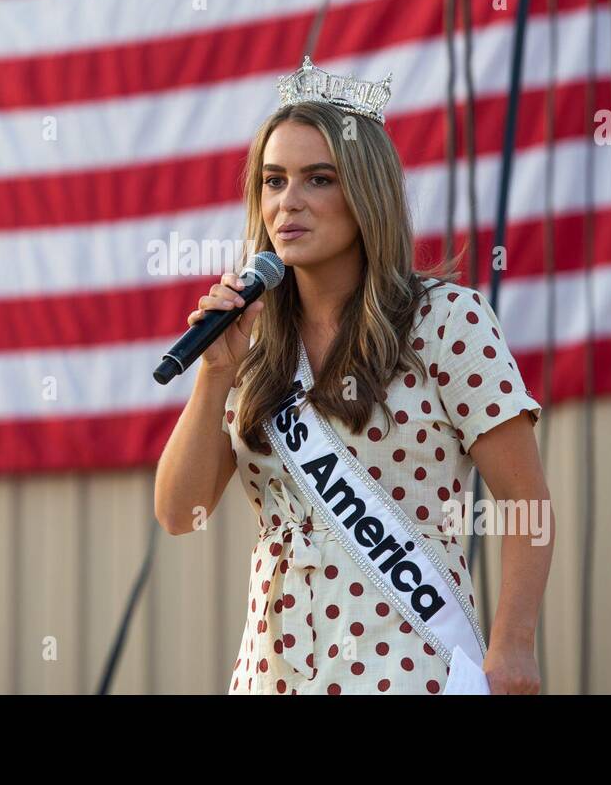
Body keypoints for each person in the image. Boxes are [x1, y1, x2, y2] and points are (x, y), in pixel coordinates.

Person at [154, 57, 552, 694]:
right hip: (273, 673)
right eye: (274, 181)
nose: (290, 202)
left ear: (366, 192)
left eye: (319, 179)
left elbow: (526, 501)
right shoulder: (254, 345)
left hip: (409, 666)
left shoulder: (445, 320)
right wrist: (213, 378)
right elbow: (180, 512)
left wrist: (513, 644)